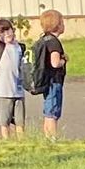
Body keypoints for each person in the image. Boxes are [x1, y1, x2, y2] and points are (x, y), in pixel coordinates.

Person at [28, 9, 68, 140]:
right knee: (53, 112)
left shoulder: (43, 39)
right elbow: (55, 63)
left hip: (45, 80)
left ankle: (47, 136)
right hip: (53, 81)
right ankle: (52, 138)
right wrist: (64, 60)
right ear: (58, 24)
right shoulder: (54, 42)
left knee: (48, 111)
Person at [0, 17, 26, 139]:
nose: (7, 34)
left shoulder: (20, 47)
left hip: (18, 90)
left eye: (8, 30)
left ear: (12, 29)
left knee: (20, 121)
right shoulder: (0, 46)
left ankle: (21, 142)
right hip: (3, 91)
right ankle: (6, 141)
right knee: (4, 122)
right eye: (2, 32)